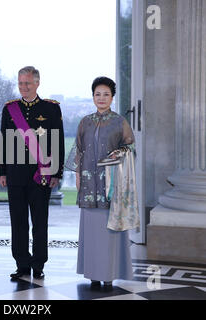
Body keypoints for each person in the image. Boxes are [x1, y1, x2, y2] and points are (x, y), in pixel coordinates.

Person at [65, 76, 135, 287]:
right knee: (92, 233)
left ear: (112, 97)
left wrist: (118, 154)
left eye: (106, 94)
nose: (101, 98)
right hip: (88, 185)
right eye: (98, 94)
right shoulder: (85, 121)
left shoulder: (120, 121)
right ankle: (93, 275)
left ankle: (109, 275)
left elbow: (130, 147)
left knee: (109, 233)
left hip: (111, 186)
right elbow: (78, 149)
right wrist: (77, 175)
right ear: (93, 96)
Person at [0, 66, 65, 280]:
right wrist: (2, 171)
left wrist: (57, 172)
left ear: (37, 83)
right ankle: (22, 264)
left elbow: (58, 142)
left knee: (39, 221)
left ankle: (38, 264)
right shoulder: (10, 109)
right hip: (15, 174)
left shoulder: (51, 109)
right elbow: (4, 142)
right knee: (18, 222)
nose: (23, 87)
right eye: (20, 83)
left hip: (41, 174)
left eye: (27, 83)